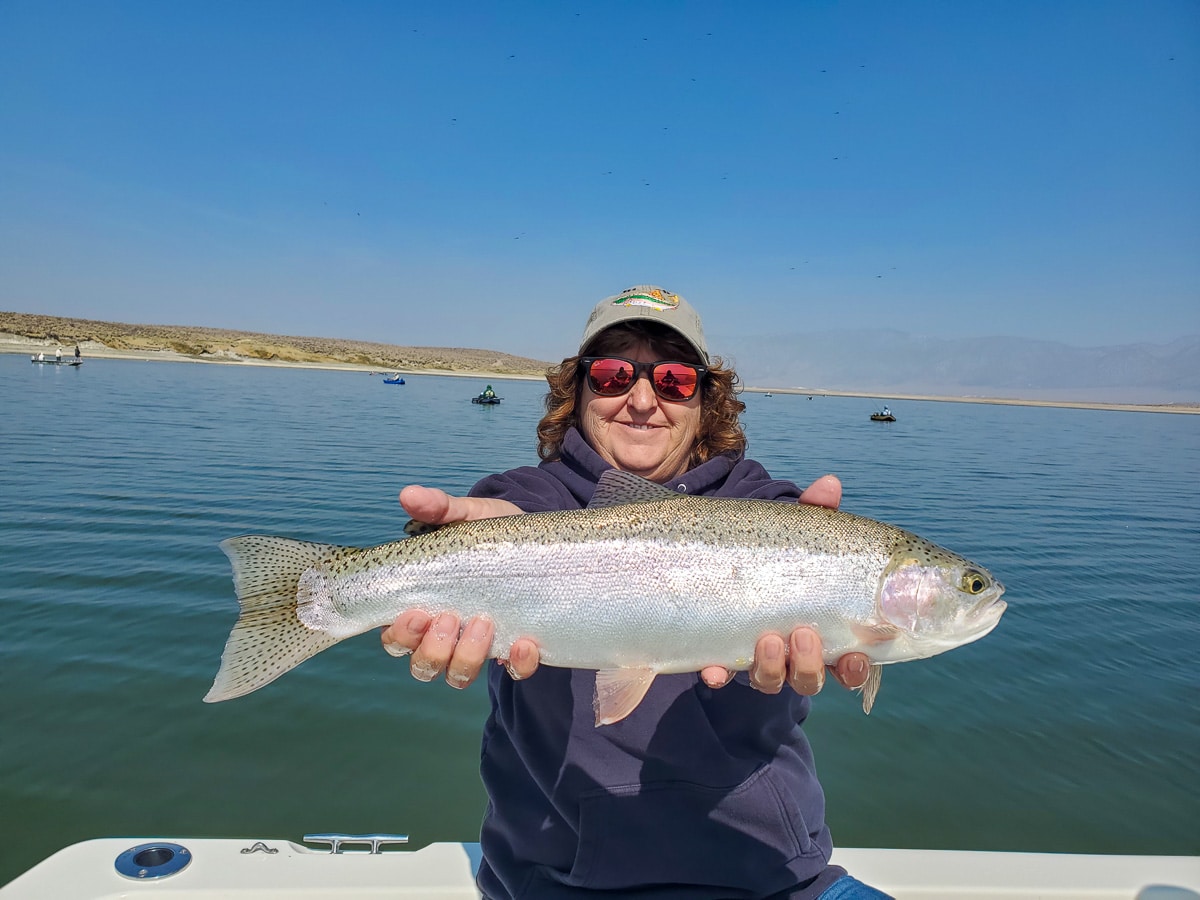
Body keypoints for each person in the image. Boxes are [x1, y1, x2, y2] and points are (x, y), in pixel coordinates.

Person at [382, 285, 888, 900]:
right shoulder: (523, 504)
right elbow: (512, 516)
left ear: (707, 401)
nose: (643, 401)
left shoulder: (771, 513)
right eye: (614, 375)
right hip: (557, 886)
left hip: (779, 880)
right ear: (579, 393)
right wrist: (480, 544)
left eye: (674, 380)